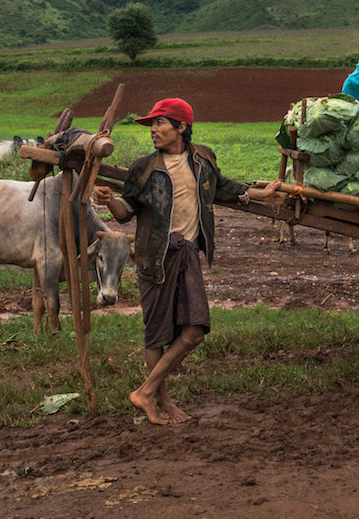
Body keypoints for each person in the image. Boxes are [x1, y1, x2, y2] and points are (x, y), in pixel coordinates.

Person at [93, 97, 280, 425]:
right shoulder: (144, 167)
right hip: (155, 257)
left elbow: (220, 187)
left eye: (159, 123)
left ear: (181, 127)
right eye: (152, 124)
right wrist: (110, 202)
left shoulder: (203, 158)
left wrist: (257, 193)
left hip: (188, 253)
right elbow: (127, 209)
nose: (153, 130)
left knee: (193, 332)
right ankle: (160, 402)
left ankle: (147, 392)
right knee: (157, 333)